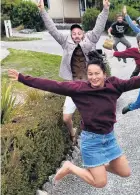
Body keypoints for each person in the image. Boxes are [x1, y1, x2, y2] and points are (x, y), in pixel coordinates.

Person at [8, 53, 140, 188]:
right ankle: (70, 167)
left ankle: (97, 165)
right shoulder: (79, 89)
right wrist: (23, 78)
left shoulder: (114, 85)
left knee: (125, 172)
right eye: (90, 74)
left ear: (104, 74)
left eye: (97, 73)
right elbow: (52, 85)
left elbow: (134, 82)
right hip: (91, 140)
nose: (93, 77)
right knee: (100, 182)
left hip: (109, 138)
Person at [37, 0, 109, 143]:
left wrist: (105, 9)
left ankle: (99, 139)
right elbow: (52, 29)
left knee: (94, 115)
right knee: (66, 118)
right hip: (74, 86)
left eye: (79, 33)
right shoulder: (65, 42)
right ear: (71, 35)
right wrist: (42, 10)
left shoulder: (90, 40)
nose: (76, 35)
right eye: (74, 33)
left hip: (90, 86)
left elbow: (99, 26)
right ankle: (72, 131)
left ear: (83, 34)